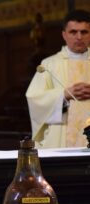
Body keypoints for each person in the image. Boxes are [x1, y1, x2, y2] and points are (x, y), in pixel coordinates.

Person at [26, 9, 90, 148]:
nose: (79, 37)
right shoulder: (49, 64)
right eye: (73, 32)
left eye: (84, 32)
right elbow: (34, 98)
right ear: (64, 35)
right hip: (60, 138)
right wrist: (64, 95)